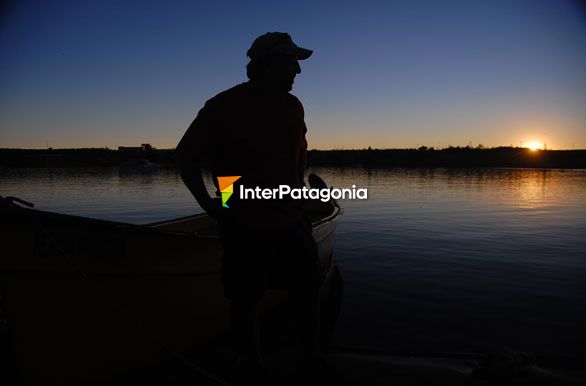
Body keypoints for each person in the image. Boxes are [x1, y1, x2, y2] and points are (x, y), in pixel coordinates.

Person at [175, 32, 325, 383]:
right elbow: (185, 157)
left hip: (291, 214)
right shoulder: (222, 106)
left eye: (297, 63)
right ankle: (252, 366)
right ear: (264, 65)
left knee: (308, 287)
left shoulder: (293, 106)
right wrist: (209, 203)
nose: (297, 71)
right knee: (245, 297)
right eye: (290, 62)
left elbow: (295, 159)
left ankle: (311, 358)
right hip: (243, 218)